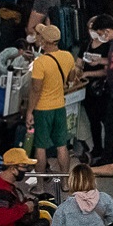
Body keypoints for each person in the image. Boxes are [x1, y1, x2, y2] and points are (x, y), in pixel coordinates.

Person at [26, 22, 77, 183]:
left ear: (44, 41)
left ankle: (40, 185)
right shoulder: (68, 56)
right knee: (62, 145)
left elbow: (35, 90)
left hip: (42, 108)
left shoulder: (40, 63)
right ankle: (64, 183)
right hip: (60, 106)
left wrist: (29, 111)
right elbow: (71, 77)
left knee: (40, 147)